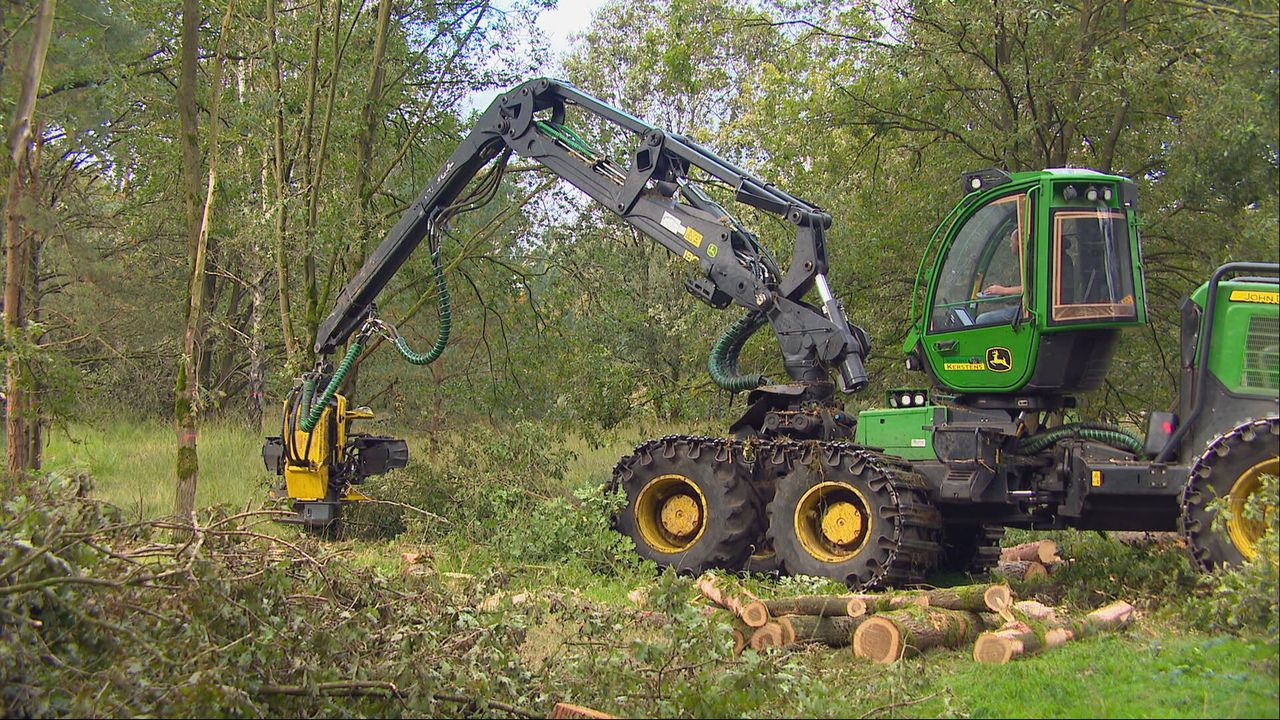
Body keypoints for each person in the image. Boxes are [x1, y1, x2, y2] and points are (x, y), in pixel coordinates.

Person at [976, 227, 1023, 325]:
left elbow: (1031, 289)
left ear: (1020, 242)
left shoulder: (1033, 261)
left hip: (1027, 312)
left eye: (1012, 242)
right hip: (1023, 306)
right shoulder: (1024, 261)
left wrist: (1003, 291)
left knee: (982, 320)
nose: (1010, 245)